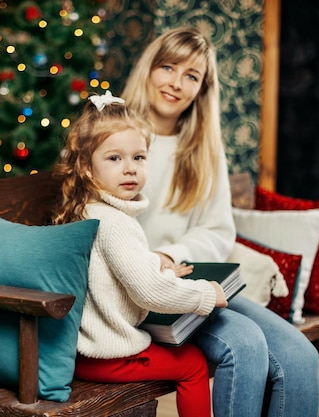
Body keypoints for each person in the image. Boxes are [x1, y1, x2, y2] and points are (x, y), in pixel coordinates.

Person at [121, 26, 319, 417]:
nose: (176, 83)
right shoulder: (116, 138)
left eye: (191, 76)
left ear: (202, 89)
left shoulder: (205, 150)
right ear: (149, 68)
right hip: (139, 295)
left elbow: (217, 232)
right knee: (244, 343)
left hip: (195, 286)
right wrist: (151, 264)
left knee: (301, 356)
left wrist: (170, 254)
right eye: (168, 67)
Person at [51, 90, 228, 417]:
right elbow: (149, 292)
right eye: (115, 158)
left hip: (87, 348)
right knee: (192, 364)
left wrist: (158, 266)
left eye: (139, 157)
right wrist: (206, 293)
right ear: (88, 169)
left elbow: (115, 271)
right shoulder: (115, 223)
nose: (130, 169)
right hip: (108, 356)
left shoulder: (91, 212)